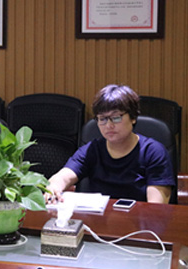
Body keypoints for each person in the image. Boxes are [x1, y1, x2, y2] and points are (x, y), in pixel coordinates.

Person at [46, 84, 175, 204]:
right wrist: (53, 187)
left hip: (139, 220)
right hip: (96, 218)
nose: (108, 125)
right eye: (102, 119)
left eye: (116, 117)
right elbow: (62, 177)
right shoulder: (91, 149)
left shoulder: (153, 152)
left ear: (133, 117)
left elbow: (156, 207)